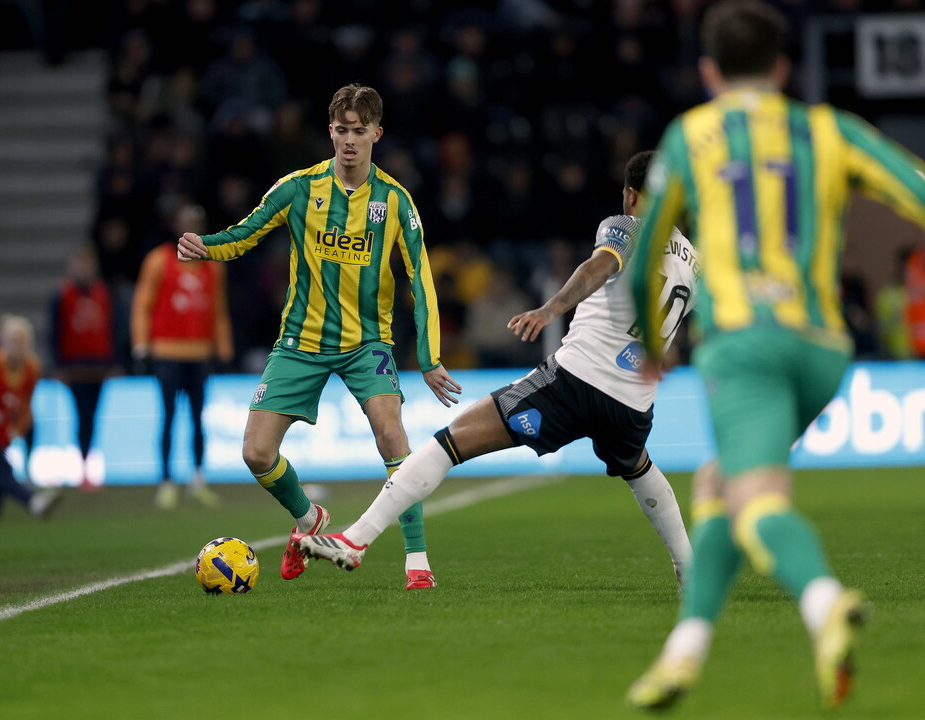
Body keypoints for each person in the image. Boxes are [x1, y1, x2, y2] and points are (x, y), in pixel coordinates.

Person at [625, 1, 925, 711]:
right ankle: (685, 651)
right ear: (783, 67)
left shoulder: (691, 135)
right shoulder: (829, 130)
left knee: (756, 502)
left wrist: (656, 340)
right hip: (824, 347)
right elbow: (916, 189)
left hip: (745, 346)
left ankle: (826, 606)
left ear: (708, 71)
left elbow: (646, 257)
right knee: (718, 485)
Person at [292, 151, 695, 593]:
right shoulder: (692, 261)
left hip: (575, 380)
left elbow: (598, 266)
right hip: (632, 401)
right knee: (639, 468)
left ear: (632, 193)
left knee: (451, 441)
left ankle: (355, 540)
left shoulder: (628, 226)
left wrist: (550, 308)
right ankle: (690, 569)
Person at [176, 84, 462, 591]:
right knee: (255, 453)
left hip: (367, 341)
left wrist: (430, 356)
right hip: (301, 340)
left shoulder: (395, 200)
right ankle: (309, 520)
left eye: (360, 132)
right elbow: (246, 233)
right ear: (330, 131)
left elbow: (421, 276)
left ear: (377, 133)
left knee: (392, 435)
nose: (350, 141)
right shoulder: (298, 188)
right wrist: (206, 246)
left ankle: (417, 562)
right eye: (342, 131)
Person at [132, 204, 234, 510]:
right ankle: (166, 481)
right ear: (176, 226)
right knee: (168, 416)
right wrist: (141, 343)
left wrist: (223, 346)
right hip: (167, 350)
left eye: (196, 222)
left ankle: (198, 479)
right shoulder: (158, 260)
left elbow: (218, 309)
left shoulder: (213, 265)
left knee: (198, 417)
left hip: (200, 352)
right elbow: (143, 304)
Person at [0, 315, 61, 521]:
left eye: (23, 340)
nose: (19, 345)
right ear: (2, 341)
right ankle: (33, 500)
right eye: (14, 340)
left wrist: (15, 429)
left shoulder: (31, 368)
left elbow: (25, 406)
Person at [51, 245, 116, 489]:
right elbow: (56, 333)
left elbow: (112, 328)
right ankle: (82, 466)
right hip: (74, 368)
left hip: (97, 367)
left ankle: (86, 465)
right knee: (82, 417)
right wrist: (59, 366)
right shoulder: (62, 296)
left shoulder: (103, 293)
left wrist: (113, 361)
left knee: (92, 417)